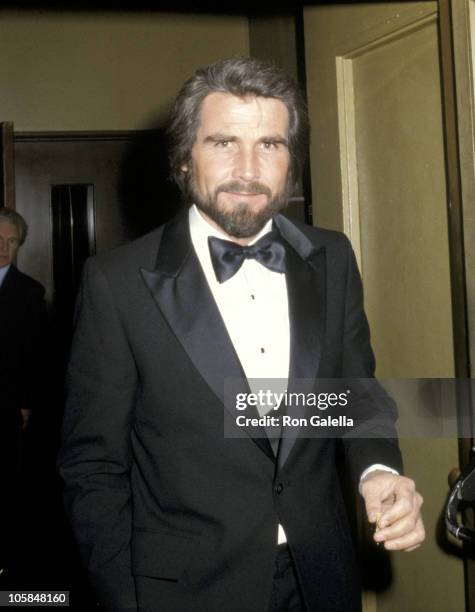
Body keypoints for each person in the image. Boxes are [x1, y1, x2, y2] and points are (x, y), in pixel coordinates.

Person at [58, 58, 424, 612]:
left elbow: (354, 395)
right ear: (185, 158)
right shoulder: (115, 284)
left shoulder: (334, 258)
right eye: (224, 143)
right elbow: (93, 466)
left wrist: (378, 471)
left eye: (271, 145)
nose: (249, 169)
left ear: (290, 163)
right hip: (183, 592)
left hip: (321, 578)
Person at [0, 207, 47, 577]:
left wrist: (27, 405)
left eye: (11, 241)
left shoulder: (30, 292)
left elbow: (36, 356)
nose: (3, 247)